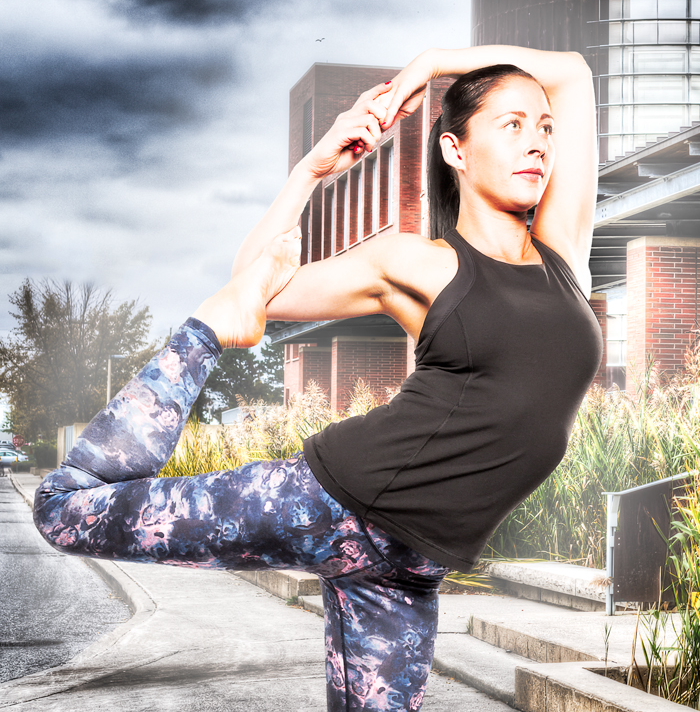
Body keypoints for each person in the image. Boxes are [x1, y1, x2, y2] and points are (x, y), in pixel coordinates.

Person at [33, 46, 603, 712]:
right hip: (319, 501)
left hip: (406, 574)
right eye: (511, 125)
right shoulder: (419, 264)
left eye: (544, 128)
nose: (536, 141)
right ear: (454, 148)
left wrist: (430, 65)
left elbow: (573, 72)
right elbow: (256, 284)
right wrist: (313, 169)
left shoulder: (564, 253)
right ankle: (196, 338)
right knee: (63, 511)